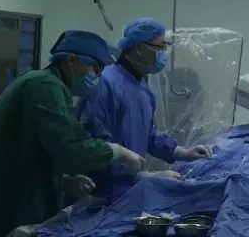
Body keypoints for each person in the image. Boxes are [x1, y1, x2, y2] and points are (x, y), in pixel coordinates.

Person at [0, 30, 145, 237]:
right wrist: (116, 151)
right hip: (3, 204)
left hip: (13, 192)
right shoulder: (45, 86)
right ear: (71, 60)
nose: (97, 77)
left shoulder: (43, 84)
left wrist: (63, 181)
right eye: (95, 69)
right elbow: (69, 151)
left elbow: (34, 149)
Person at [79, 18, 213, 200]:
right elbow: (94, 146)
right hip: (99, 193)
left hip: (127, 192)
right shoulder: (106, 84)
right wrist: (143, 176)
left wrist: (183, 152)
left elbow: (148, 134)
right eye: (160, 48)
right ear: (139, 48)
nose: (164, 54)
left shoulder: (143, 89)